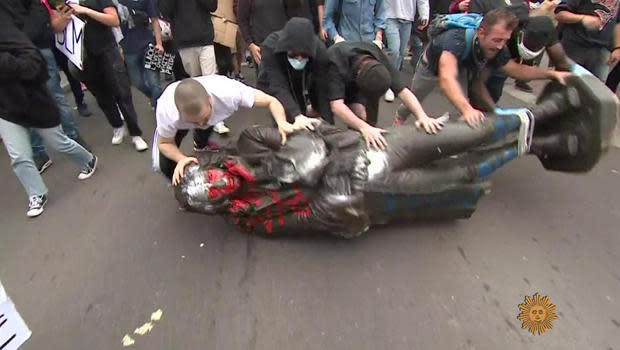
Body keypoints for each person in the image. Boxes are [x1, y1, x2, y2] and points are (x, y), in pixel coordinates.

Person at [174, 71, 617, 238]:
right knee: (459, 177)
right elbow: (305, 220)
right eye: (215, 193)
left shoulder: (247, 142)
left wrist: (307, 147)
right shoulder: (251, 217)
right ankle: (543, 143)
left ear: (211, 168)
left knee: (459, 134)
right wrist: (338, 206)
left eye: (213, 177)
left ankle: (543, 112)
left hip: (363, 149)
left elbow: (300, 134)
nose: (221, 183)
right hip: (359, 190)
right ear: (217, 203)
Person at [394, 8, 571, 128]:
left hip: (461, 68)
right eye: (496, 40)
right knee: (414, 99)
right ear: (481, 33)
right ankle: (399, 119)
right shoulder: (456, 39)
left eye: (504, 40)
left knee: (461, 110)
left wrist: (551, 74)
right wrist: (467, 109)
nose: (501, 46)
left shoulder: (498, 46)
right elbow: (445, 78)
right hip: (432, 67)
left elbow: (515, 70)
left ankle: (455, 146)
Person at [0, 12, 98, 217]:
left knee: (58, 141)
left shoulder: (11, 35)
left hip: (33, 101)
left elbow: (36, 66)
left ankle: (88, 160)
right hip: (6, 108)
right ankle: (36, 194)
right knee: (18, 155)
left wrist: (5, 64)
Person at [153, 75, 320, 184]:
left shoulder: (229, 92)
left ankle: (201, 144)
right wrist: (181, 158)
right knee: (166, 164)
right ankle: (184, 189)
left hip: (212, 111)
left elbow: (271, 101)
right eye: (195, 122)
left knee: (205, 130)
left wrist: (282, 122)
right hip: (180, 124)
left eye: (204, 117)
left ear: (210, 100)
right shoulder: (167, 111)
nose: (201, 123)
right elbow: (165, 143)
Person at [63, 0, 149, 151]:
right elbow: (56, 28)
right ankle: (117, 125)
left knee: (122, 91)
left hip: (106, 48)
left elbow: (114, 20)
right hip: (81, 54)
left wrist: (86, 11)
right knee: (101, 95)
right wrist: (63, 17)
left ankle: (136, 133)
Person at [325, 41, 444, 150]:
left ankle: (364, 143)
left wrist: (422, 116)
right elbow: (336, 105)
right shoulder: (334, 61)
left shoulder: (375, 55)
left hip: (363, 75)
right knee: (316, 113)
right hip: (324, 79)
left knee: (363, 117)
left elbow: (403, 91)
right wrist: (363, 127)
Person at [467, 0, 571, 102]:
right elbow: (474, 27)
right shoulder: (480, 2)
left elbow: (517, 70)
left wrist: (556, 74)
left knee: (494, 90)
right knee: (476, 88)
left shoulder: (520, 4)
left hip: (505, 55)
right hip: (483, 55)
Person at [257, 18, 332, 125]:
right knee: (285, 115)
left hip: (302, 78)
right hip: (274, 78)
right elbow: (278, 86)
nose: (299, 59)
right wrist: (297, 115)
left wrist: (327, 121)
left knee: (303, 107)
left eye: (304, 55)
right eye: (294, 55)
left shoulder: (319, 52)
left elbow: (321, 88)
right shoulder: (270, 47)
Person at [114, 0, 164, 109]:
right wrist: (118, 49)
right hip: (128, 48)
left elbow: (155, 20)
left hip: (148, 43)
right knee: (137, 82)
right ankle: (155, 98)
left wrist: (159, 43)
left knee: (154, 83)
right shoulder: (114, 2)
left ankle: (159, 107)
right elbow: (113, 29)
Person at [555, 0, 620, 80]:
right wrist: (582, 18)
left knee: (595, 89)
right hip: (575, 46)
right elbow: (559, 14)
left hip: (602, 52)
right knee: (565, 83)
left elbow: (617, 22)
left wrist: (617, 47)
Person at [384, 0, 429, 102]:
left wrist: (424, 14)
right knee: (394, 51)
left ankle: (393, 81)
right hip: (390, 16)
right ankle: (389, 85)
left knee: (401, 52)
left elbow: (422, 1)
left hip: (407, 18)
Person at [322, 0, 386, 45]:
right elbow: (327, 19)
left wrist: (378, 38)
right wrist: (336, 38)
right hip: (346, 44)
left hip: (369, 44)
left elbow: (381, 15)